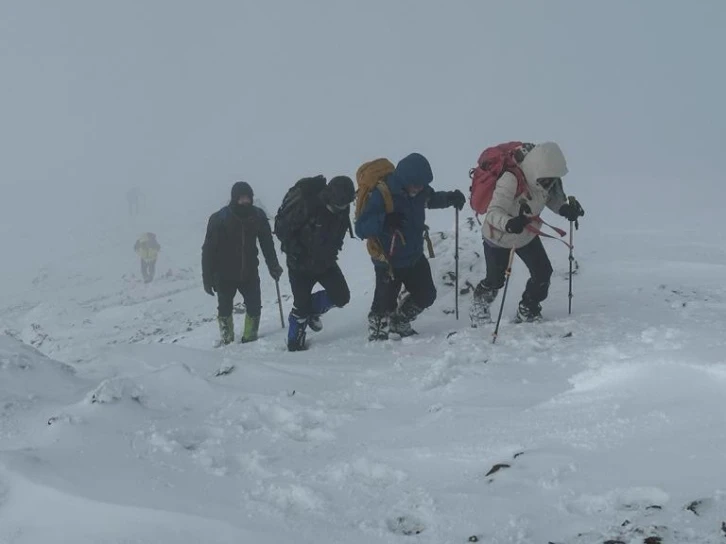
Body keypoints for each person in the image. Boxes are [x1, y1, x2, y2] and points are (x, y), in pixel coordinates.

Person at [469, 141, 585, 326]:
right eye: (546, 180)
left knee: (542, 273)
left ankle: (528, 308)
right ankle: (479, 306)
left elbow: (549, 197)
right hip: (498, 238)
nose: (549, 183)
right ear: (536, 170)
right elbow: (493, 212)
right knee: (495, 280)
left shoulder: (546, 177)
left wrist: (563, 209)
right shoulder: (510, 179)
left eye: (552, 179)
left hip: (526, 234)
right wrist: (508, 224)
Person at [354, 153, 466, 341]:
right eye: (417, 184)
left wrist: (450, 198)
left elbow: (430, 199)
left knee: (427, 295)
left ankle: (399, 321)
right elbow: (360, 228)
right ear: (405, 180)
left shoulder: (419, 191)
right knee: (384, 304)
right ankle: (377, 336)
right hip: (387, 261)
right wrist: (385, 220)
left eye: (422, 185)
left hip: (413, 255)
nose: (420, 188)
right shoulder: (382, 194)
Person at [274, 175, 355, 351]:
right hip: (299, 266)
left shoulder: (342, 208)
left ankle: (307, 311)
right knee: (296, 340)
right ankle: (297, 332)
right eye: (339, 205)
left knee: (342, 297)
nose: (341, 208)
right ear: (330, 196)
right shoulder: (307, 206)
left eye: (345, 205)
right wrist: (295, 251)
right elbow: (282, 231)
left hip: (325, 263)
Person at [202, 181, 283, 346]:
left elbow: (267, 243)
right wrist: (207, 277)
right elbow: (208, 250)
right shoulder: (220, 218)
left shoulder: (258, 216)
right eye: (242, 198)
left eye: (248, 198)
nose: (245, 202)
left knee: (254, 307)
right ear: (234, 198)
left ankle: (250, 338)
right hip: (223, 273)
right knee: (224, 308)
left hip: (249, 271)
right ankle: (227, 339)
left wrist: (273, 265)